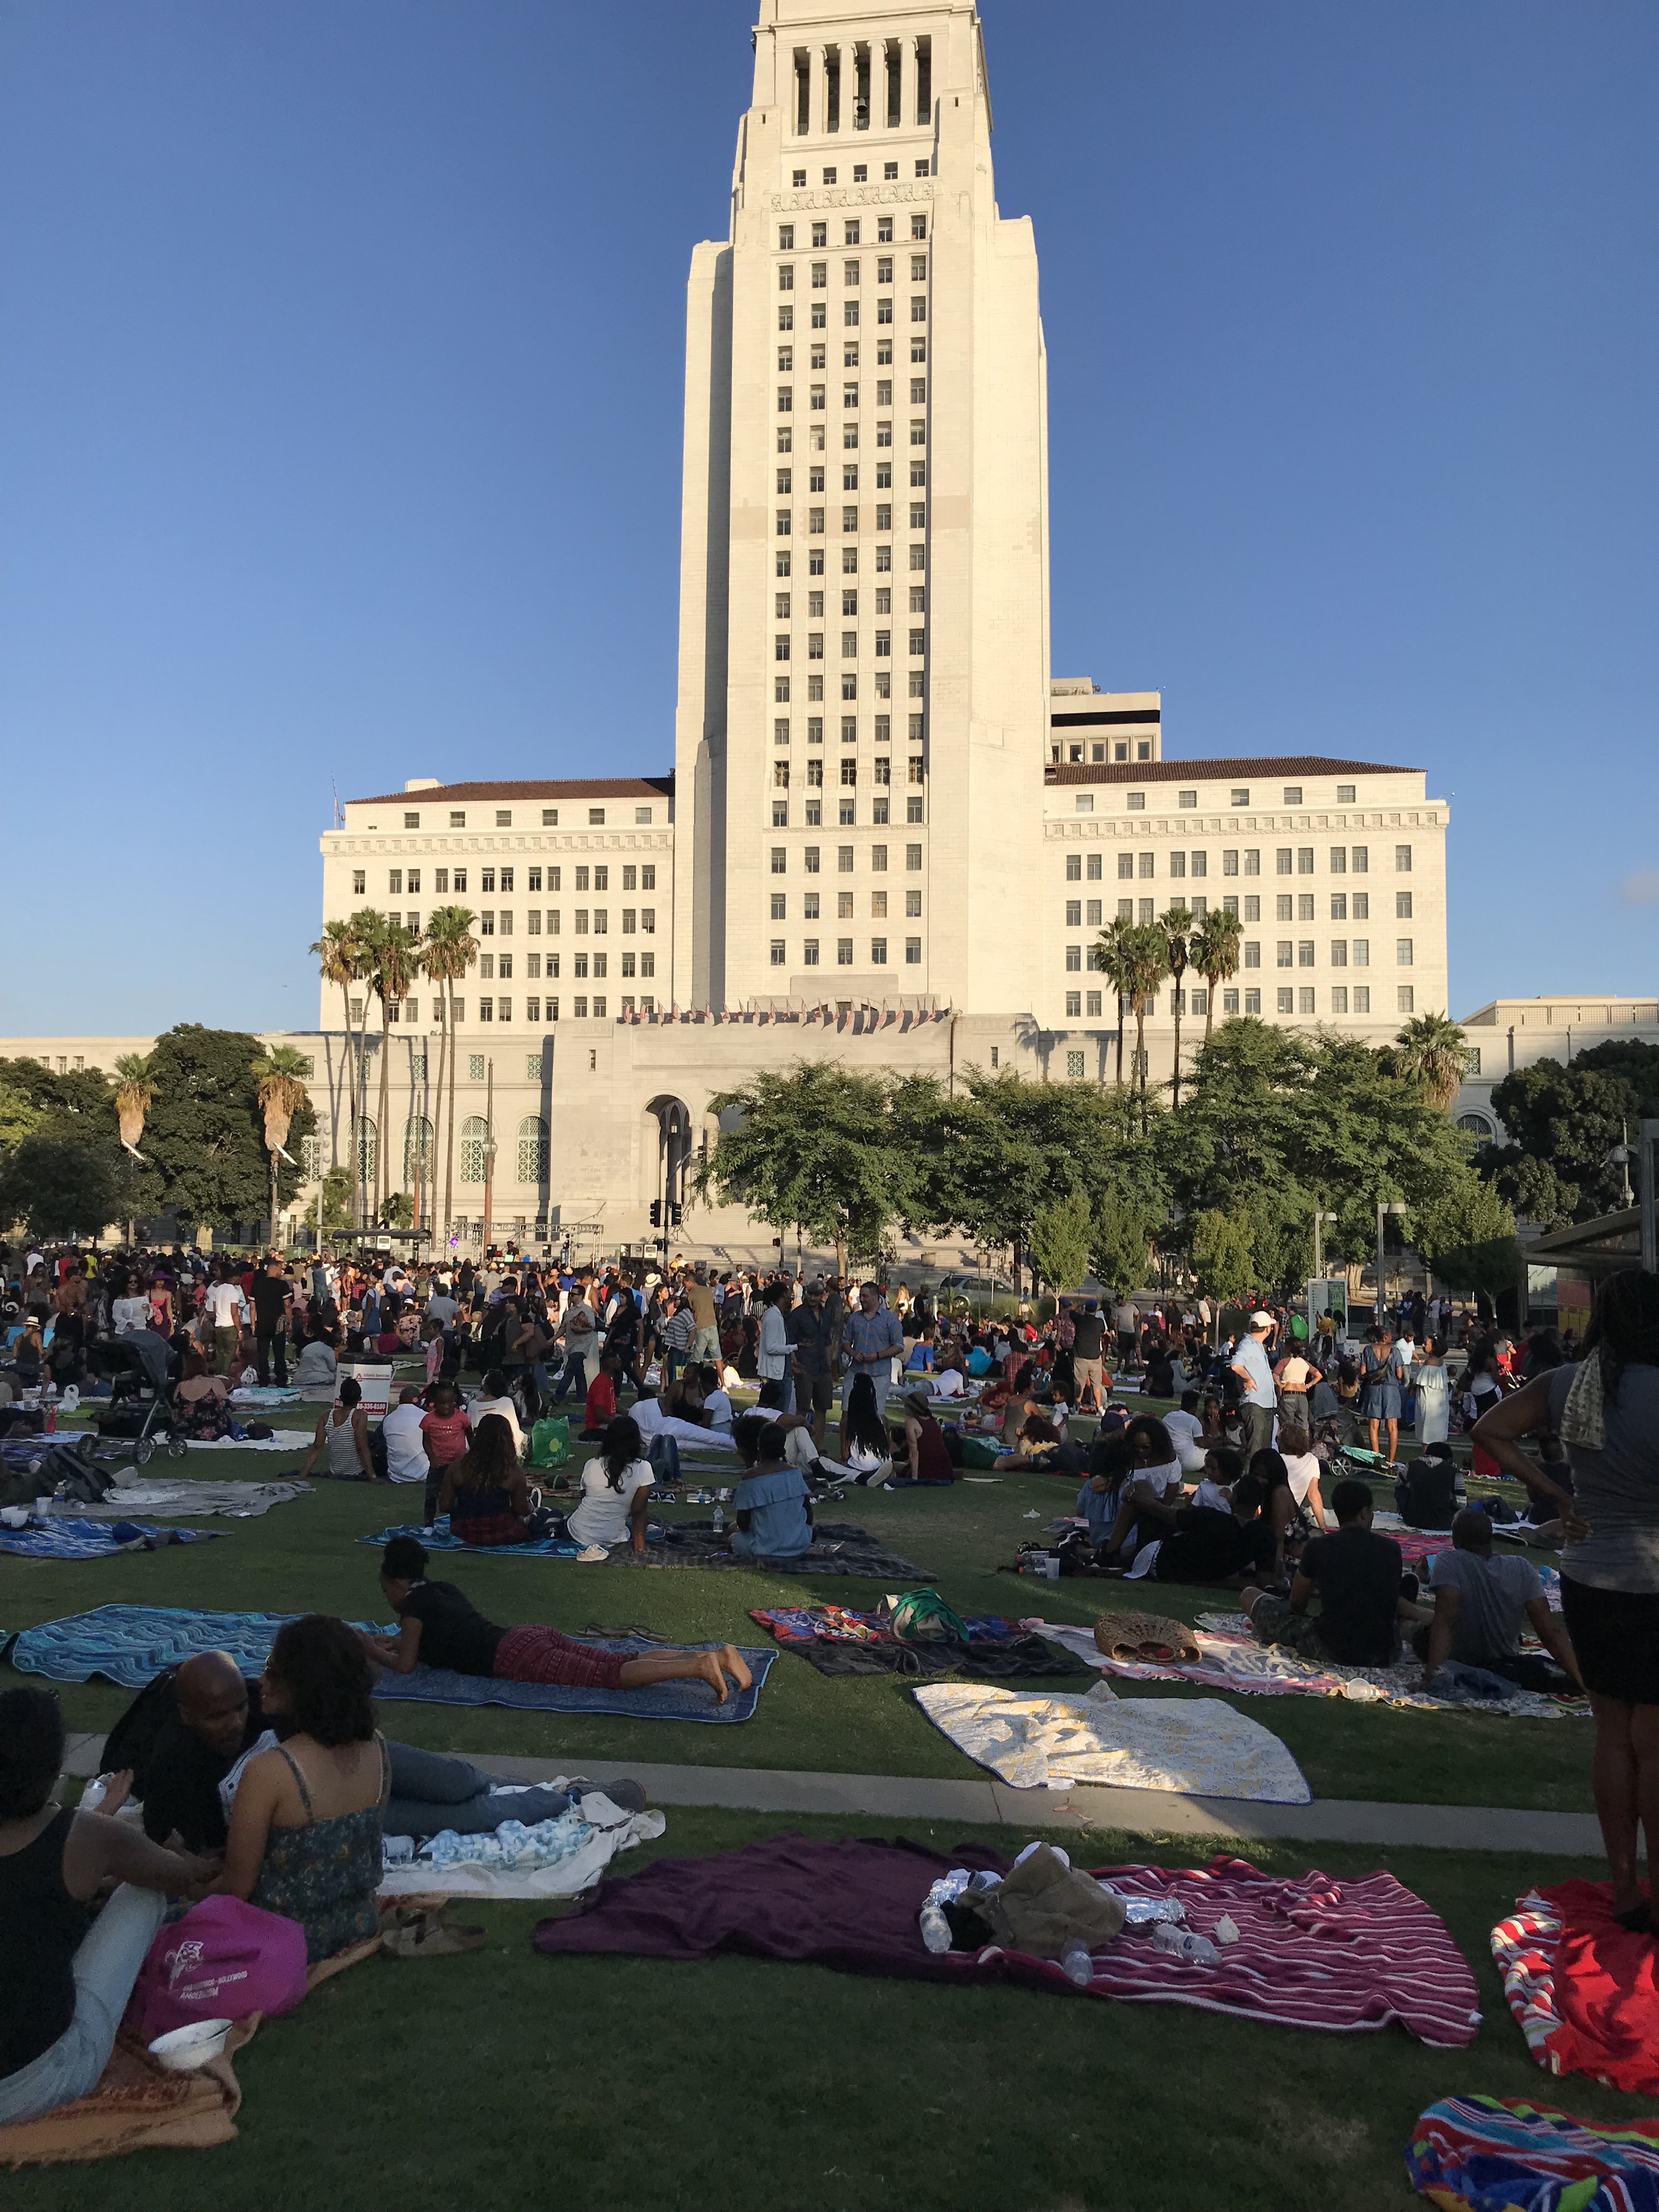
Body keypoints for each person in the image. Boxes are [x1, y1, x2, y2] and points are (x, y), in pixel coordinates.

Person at [1471, 1269, 1659, 1926]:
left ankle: (1625, 1889)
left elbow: (1490, 1430)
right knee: (1654, 1743)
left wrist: (1556, 1495)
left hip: (1589, 1575)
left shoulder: (1571, 1384)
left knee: (1613, 1737)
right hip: (1653, 1579)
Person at [0, 1686, 217, 2125]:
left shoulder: (80, 1835)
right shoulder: (85, 1834)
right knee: (143, 1892)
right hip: (37, 2082)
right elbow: (175, 1876)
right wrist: (173, 1856)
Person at [370, 1535, 754, 1702]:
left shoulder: (413, 1607)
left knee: (608, 1676)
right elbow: (450, 1637)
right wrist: (398, 1641)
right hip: (527, 1638)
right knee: (617, 1660)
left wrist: (366, 1647)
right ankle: (715, 1655)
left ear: (397, 1582)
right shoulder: (441, 1590)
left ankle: (698, 1666)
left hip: (514, 1657)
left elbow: (405, 1667)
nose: (388, 1599)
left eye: (386, 1590)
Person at [208, 1615, 387, 1963]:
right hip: (357, 1924)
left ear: (303, 1686)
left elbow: (236, 1889)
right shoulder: (377, 1748)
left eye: (271, 1670)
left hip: (281, 1941)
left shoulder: (270, 1771)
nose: (262, 1680)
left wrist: (191, 1887)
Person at [1242, 1478, 1428, 1667]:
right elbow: (1388, 1602)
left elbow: (1297, 1603)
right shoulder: (1391, 1549)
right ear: (1364, 1513)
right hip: (1384, 1653)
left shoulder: (1319, 1547)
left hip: (1332, 1649)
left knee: (1250, 1596)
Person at [1417, 1508, 1582, 1694]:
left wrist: (1433, 1676)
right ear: (1491, 1538)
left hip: (1461, 1660)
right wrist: (1582, 1680)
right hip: (1505, 1662)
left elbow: (1445, 1621)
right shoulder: (1522, 1568)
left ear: (1456, 1540)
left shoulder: (1449, 1562)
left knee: (1415, 1629)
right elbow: (1550, 1631)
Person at [438, 1413, 554, 1546]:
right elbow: (520, 1509)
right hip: (502, 1533)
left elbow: (445, 1505)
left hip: (464, 1532)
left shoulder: (457, 1466)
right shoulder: (513, 1470)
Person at [557, 1414, 656, 1555]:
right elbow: (638, 1512)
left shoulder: (592, 1464)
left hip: (578, 1533)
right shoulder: (643, 1468)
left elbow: (585, 1498)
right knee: (631, 1524)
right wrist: (640, 1550)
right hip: (613, 1538)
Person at [729, 1417, 814, 1558]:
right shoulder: (795, 1473)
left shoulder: (750, 1477)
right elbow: (808, 1514)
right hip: (798, 1544)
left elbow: (743, 1523)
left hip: (766, 1547)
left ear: (759, 1444)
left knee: (733, 1537)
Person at [787, 1277, 842, 1451]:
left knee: (822, 1409)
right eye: (810, 1294)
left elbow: (827, 1341)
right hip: (804, 1366)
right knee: (802, 1409)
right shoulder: (797, 1315)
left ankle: (817, 1448)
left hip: (823, 1368)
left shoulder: (826, 1314)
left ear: (822, 1296)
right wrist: (795, 1362)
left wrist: (829, 1365)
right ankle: (797, 1447)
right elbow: (790, 1341)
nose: (812, 1298)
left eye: (816, 1295)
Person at [840, 1281, 904, 1417]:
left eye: (865, 1296)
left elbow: (899, 1346)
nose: (861, 1299)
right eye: (860, 1296)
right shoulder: (854, 1318)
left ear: (875, 1296)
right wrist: (853, 1353)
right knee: (847, 1413)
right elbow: (845, 1341)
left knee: (876, 1415)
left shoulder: (890, 1320)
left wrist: (878, 1355)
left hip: (879, 1374)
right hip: (856, 1372)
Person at [300, 1375, 378, 1482]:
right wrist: (373, 1477)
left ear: (340, 1398)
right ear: (359, 1399)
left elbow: (317, 1447)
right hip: (357, 1472)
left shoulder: (326, 1416)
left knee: (369, 1435)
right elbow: (362, 1448)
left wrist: (302, 1475)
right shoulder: (360, 1416)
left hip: (335, 1471)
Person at [420, 1380, 473, 1524]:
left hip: (458, 1464)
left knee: (459, 1494)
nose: (447, 1407)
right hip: (438, 1465)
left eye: (451, 1403)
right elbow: (426, 1441)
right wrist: (432, 1458)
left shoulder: (462, 1417)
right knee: (431, 1495)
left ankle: (458, 1522)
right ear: (434, 1403)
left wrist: (473, 1455)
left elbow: (470, 1435)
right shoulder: (428, 1420)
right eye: (442, 1403)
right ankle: (429, 1525)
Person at [1229, 1311, 1278, 1459]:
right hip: (1256, 1405)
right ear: (1267, 1329)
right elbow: (1235, 1365)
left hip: (1264, 1405)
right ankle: (1248, 1474)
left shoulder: (1256, 1345)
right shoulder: (1248, 1344)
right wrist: (1248, 1379)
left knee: (1264, 1453)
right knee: (1255, 1452)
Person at [1359, 1326, 1408, 1464]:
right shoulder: (1395, 1351)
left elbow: (1363, 1372)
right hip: (1391, 1390)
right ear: (1385, 1336)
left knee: (1373, 1426)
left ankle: (1377, 1457)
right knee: (1392, 1427)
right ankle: (1391, 1459)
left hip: (1373, 1389)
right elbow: (1400, 1374)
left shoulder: (1368, 1349)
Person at [890, 1387, 955, 1486]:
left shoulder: (911, 1422)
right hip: (945, 1469)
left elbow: (914, 1453)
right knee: (903, 1464)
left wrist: (914, 1479)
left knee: (893, 1465)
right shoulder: (935, 1422)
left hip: (925, 1469)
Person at [251, 1255, 293, 1388]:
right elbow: (287, 1305)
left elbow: (252, 1306)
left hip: (262, 1322)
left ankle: (264, 1379)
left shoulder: (257, 1285)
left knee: (263, 1353)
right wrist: (289, 1322)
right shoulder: (282, 1285)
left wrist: (253, 1325)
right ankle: (280, 1379)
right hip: (278, 1323)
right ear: (274, 1269)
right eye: (280, 1269)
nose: (281, 1272)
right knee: (279, 1353)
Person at [379, 1385, 430, 1486]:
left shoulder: (389, 1418)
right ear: (416, 1400)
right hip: (424, 1474)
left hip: (396, 1474)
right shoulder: (425, 1417)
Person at [1412, 1336, 1452, 1446]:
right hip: (1440, 1403)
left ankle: (1427, 1455)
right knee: (1437, 1433)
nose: (1423, 1345)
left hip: (1428, 1402)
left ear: (1434, 1348)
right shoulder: (1441, 1363)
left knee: (1427, 1433)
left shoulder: (1429, 1364)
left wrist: (1412, 1388)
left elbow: (1419, 1382)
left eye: (1426, 1344)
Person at [582, 1348, 622, 1439]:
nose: (620, 1365)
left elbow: (614, 1405)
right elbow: (599, 1416)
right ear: (611, 1365)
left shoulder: (608, 1380)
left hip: (608, 1420)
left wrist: (631, 1414)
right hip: (597, 1427)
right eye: (618, 1362)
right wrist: (618, 1424)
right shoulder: (600, 1383)